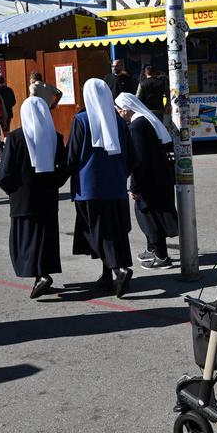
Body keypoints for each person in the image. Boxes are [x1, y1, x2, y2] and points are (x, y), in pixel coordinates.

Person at [64, 78, 134, 295]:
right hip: (116, 188)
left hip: (89, 189)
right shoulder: (118, 122)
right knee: (114, 230)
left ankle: (118, 269)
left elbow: (72, 156)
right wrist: (121, 174)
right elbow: (132, 155)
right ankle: (107, 274)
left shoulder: (81, 120)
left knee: (97, 232)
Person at [0, 95, 67, 299]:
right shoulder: (55, 137)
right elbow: (64, 167)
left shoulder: (16, 138)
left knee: (27, 240)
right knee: (45, 239)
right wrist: (54, 183)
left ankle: (41, 276)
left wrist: (12, 190)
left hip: (23, 200)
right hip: (47, 198)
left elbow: (4, 173)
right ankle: (43, 274)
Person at [115, 91, 178, 269]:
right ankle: (152, 249)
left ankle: (162, 256)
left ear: (127, 109)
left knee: (149, 216)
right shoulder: (145, 120)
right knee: (151, 214)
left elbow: (139, 160)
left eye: (119, 110)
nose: (119, 114)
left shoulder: (137, 126)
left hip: (150, 180)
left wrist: (134, 186)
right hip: (158, 176)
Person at [0, 70, 17, 139]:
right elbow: (14, 101)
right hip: (8, 114)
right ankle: (7, 145)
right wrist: (7, 107)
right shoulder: (9, 89)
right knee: (6, 131)